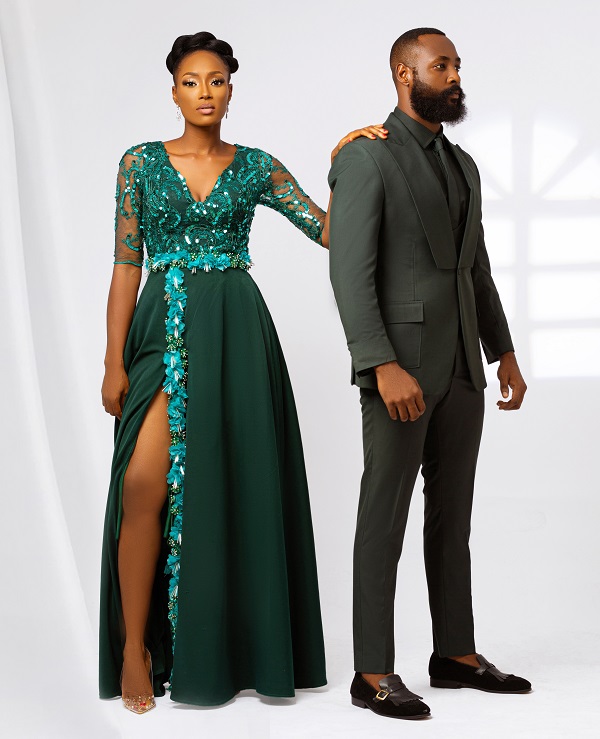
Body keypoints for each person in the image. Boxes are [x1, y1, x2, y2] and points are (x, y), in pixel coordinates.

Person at [99, 31, 386, 713]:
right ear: (174, 92)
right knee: (142, 483)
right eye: (191, 81)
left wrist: (350, 162)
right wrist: (112, 360)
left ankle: (230, 650)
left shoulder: (256, 166)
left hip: (235, 327)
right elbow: (126, 265)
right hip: (160, 330)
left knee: (231, 485)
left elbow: (329, 230)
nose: (205, 92)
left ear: (231, 89)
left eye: (217, 80)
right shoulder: (139, 163)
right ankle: (135, 645)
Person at [328, 27, 532, 721]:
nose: (453, 76)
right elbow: (349, 273)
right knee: (383, 516)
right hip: (401, 370)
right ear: (402, 73)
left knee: (453, 516)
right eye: (440, 65)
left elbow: (476, 268)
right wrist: (380, 362)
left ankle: (455, 654)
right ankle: (371, 671)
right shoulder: (366, 157)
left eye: (456, 66)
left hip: (463, 367)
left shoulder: (463, 163)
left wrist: (502, 351)